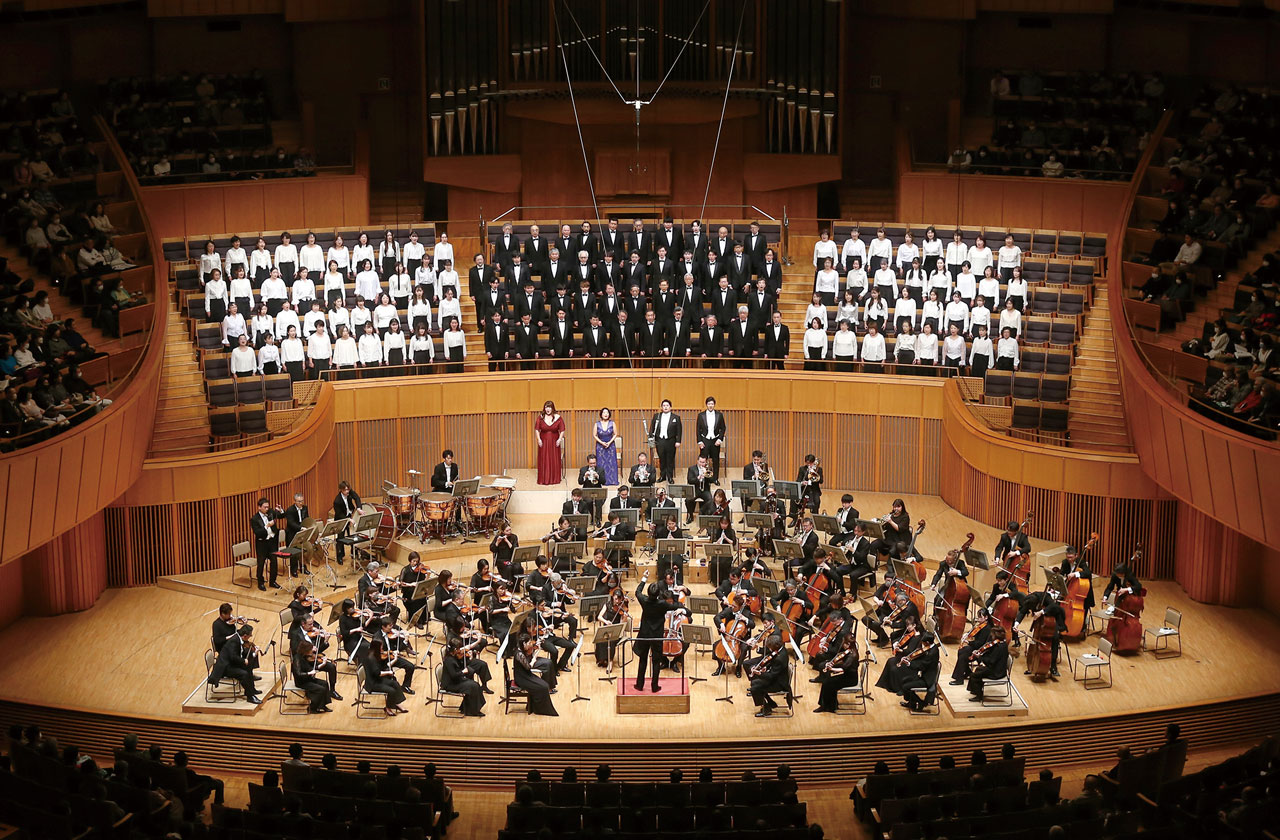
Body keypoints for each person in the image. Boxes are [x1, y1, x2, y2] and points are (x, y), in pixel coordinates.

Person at [633, 571, 682, 693]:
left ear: (649, 593)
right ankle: (655, 686)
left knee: (643, 660)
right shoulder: (663, 604)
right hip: (657, 636)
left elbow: (637, 592)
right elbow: (675, 606)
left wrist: (644, 578)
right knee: (656, 661)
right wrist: (680, 604)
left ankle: (639, 685)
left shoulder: (644, 600)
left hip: (644, 634)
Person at [1016, 589, 1065, 677]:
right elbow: (1022, 611)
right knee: (1036, 637)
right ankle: (1033, 665)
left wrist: (1042, 612)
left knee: (1054, 638)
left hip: (1053, 619)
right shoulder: (1029, 600)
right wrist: (1016, 624)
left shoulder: (1045, 596)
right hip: (1040, 623)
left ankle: (1053, 667)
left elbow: (1054, 606)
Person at [209, 625, 261, 703]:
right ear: (245, 636)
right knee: (244, 674)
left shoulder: (238, 638)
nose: (251, 636)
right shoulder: (233, 641)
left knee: (249, 667)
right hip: (225, 667)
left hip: (230, 663)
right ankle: (250, 696)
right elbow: (233, 657)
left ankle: (251, 690)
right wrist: (243, 661)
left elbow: (240, 652)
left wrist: (253, 653)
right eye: (250, 635)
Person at [814, 632, 860, 713]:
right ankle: (830, 705)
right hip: (846, 675)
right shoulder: (849, 651)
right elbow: (841, 661)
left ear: (848, 644)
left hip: (850, 679)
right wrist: (831, 663)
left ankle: (827, 706)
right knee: (827, 681)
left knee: (828, 683)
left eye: (844, 643)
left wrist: (831, 669)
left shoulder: (852, 656)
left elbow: (843, 669)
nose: (843, 644)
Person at [746, 635, 791, 717]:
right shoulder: (782, 649)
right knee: (754, 682)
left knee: (754, 688)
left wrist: (759, 673)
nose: (769, 649)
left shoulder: (780, 659)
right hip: (778, 677)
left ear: (775, 646)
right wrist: (766, 668)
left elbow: (771, 676)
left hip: (779, 683)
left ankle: (766, 709)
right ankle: (770, 703)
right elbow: (773, 665)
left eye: (770, 647)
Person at [363, 639, 408, 714]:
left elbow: (384, 666)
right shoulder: (371, 658)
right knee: (391, 690)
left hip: (377, 679)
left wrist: (395, 659)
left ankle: (397, 703)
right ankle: (388, 708)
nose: (382, 649)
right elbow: (378, 673)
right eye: (381, 647)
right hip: (373, 683)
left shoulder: (375, 655)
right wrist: (389, 672)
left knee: (395, 683)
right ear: (376, 647)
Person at [441, 640, 486, 717]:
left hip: (455, 681)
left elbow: (459, 666)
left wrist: (469, 658)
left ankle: (466, 708)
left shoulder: (454, 657)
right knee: (473, 686)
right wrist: (463, 672)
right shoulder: (449, 660)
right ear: (455, 650)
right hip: (450, 684)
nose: (460, 650)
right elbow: (453, 675)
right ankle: (472, 711)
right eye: (459, 648)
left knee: (474, 684)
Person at [250, 498, 284, 591]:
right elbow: (257, 532)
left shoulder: (270, 512)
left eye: (268, 507)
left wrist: (280, 510)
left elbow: (280, 516)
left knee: (274, 562)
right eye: (265, 507)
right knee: (261, 563)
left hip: (272, 542)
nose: (267, 509)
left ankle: (272, 581)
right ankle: (260, 582)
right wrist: (267, 526)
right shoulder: (254, 519)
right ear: (259, 507)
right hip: (262, 544)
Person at [649, 399, 682, 483]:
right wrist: (651, 438)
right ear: (661, 407)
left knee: (670, 459)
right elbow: (652, 428)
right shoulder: (657, 416)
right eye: (664, 405)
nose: (665, 407)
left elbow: (679, 430)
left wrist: (678, 441)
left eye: (667, 405)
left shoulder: (676, 417)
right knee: (662, 458)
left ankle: (670, 476)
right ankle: (662, 475)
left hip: (671, 440)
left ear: (670, 407)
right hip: (659, 440)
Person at [331, 480, 362, 565]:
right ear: (341, 490)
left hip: (350, 515)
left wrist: (358, 508)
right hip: (341, 519)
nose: (347, 491)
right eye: (345, 490)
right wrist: (348, 520)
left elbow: (357, 498)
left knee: (353, 535)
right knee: (340, 538)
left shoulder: (349, 492)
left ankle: (354, 552)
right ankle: (340, 556)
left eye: (348, 489)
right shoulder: (337, 501)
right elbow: (339, 513)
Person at [535, 400, 565, 485]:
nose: (548, 409)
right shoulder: (540, 417)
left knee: (554, 458)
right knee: (544, 458)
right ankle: (544, 479)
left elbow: (562, 430)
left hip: (554, 441)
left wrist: (559, 439)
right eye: (546, 407)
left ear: (552, 408)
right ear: (544, 408)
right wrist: (539, 439)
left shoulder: (558, 417)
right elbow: (537, 429)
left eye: (549, 407)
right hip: (543, 441)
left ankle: (554, 479)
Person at [696, 396, 726, 479]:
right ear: (706, 405)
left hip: (715, 440)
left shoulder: (719, 415)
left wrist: (720, 439)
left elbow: (723, 428)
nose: (710, 405)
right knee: (703, 460)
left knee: (715, 460)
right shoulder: (701, 415)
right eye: (709, 404)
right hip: (704, 440)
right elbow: (698, 429)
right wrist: (699, 441)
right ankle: (704, 477)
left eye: (712, 404)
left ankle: (715, 478)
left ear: (714, 405)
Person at [594, 407, 619, 485]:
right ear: (601, 414)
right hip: (600, 446)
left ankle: (612, 480)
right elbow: (594, 435)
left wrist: (609, 442)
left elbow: (615, 434)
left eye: (607, 413)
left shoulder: (612, 423)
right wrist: (602, 442)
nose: (606, 414)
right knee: (601, 463)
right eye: (604, 412)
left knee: (612, 463)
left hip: (611, 446)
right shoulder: (597, 424)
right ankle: (601, 480)